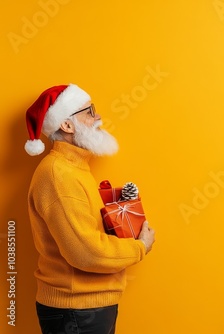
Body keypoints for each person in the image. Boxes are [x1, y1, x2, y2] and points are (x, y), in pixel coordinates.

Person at [24, 84, 156, 334]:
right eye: (90, 111)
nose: (98, 118)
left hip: (84, 309)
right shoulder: (58, 174)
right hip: (77, 312)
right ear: (67, 125)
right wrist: (140, 247)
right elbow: (86, 252)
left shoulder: (73, 169)